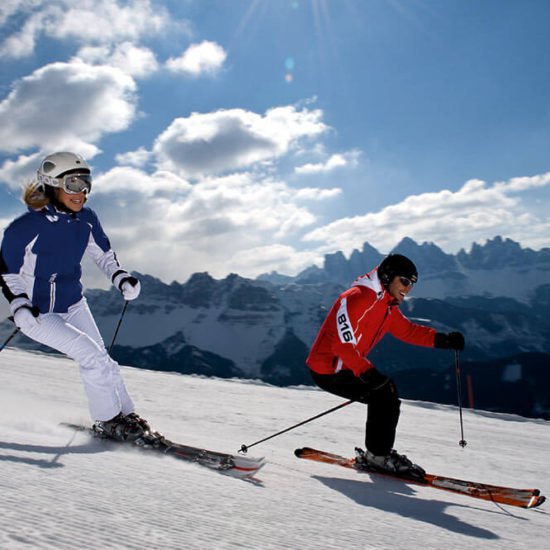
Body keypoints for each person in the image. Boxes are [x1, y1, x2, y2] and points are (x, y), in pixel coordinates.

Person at [0, 152, 148, 441]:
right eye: (73, 183)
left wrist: (120, 277)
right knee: (92, 357)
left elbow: (103, 255)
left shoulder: (87, 219)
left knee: (103, 360)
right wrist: (18, 302)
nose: (82, 191)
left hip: (73, 303)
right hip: (37, 312)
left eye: (86, 183)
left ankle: (126, 416)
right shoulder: (25, 228)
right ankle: (108, 420)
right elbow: (7, 271)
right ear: (52, 185)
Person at [306, 253, 464, 474]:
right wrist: (367, 372)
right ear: (388, 277)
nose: (409, 289)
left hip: (346, 365)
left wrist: (443, 340)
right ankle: (378, 456)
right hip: (328, 368)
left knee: (385, 395)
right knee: (384, 394)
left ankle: (377, 454)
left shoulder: (385, 303)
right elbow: (342, 345)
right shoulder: (358, 297)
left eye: (413, 284)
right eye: (406, 281)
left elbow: (406, 330)